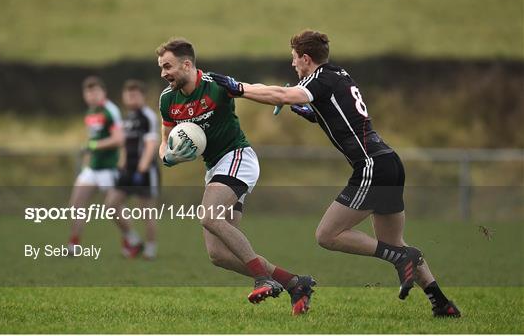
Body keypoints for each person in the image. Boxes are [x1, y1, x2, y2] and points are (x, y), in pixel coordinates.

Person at [210, 30, 461, 318]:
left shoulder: (320, 78)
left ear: (306, 59)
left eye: (294, 59)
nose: (293, 65)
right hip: (389, 162)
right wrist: (312, 113)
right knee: (392, 242)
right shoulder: (339, 74)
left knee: (328, 235)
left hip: (371, 167)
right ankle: (441, 303)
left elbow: (282, 94)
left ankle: (401, 258)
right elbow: (342, 112)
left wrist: (238, 87)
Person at [156, 38, 316, 315]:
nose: (163, 73)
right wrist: (166, 156)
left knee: (209, 216)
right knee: (218, 255)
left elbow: (250, 90)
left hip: (238, 158)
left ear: (187, 64)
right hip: (215, 169)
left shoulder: (214, 85)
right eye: (161, 68)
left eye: (167, 66)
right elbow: (165, 140)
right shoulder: (167, 100)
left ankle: (262, 278)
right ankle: (295, 283)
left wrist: (281, 96)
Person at [68, 76, 124, 254]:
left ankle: (130, 239)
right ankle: (74, 245)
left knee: (114, 209)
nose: (92, 96)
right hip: (92, 168)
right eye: (88, 92)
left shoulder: (110, 110)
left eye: (95, 92)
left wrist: (91, 146)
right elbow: (93, 140)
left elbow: (118, 139)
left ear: (103, 93)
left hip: (109, 168)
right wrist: (87, 158)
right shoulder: (90, 112)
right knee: (76, 204)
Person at [104, 80, 160, 260]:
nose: (131, 98)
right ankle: (134, 239)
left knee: (146, 211)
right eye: (128, 95)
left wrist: (142, 169)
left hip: (144, 171)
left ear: (142, 96)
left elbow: (151, 143)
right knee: (111, 205)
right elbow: (124, 145)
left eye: (135, 95)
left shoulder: (147, 116)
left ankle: (150, 248)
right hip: (127, 171)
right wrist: (121, 165)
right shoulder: (127, 117)